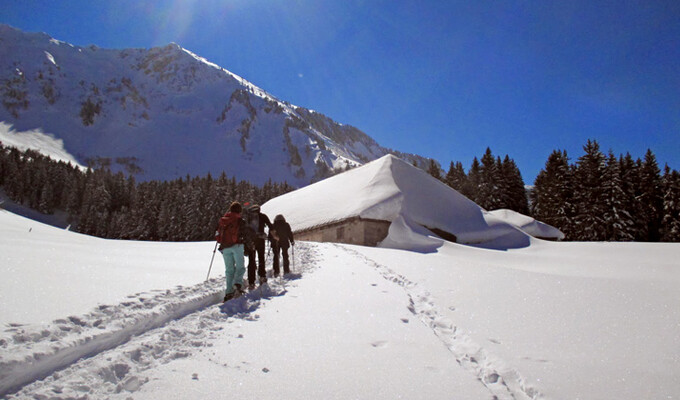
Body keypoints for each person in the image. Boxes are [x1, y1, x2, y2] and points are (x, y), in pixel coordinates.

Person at [216, 201, 247, 302]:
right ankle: (237, 284)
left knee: (229, 270)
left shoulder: (223, 220)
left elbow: (217, 233)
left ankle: (229, 292)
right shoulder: (239, 220)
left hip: (225, 247)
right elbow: (245, 233)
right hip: (237, 246)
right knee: (240, 267)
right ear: (239, 211)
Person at [244, 204, 273, 289]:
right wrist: (272, 236)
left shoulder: (248, 217)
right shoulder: (262, 216)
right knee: (261, 258)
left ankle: (251, 282)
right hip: (260, 240)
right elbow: (270, 225)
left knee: (251, 260)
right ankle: (262, 277)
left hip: (250, 241)